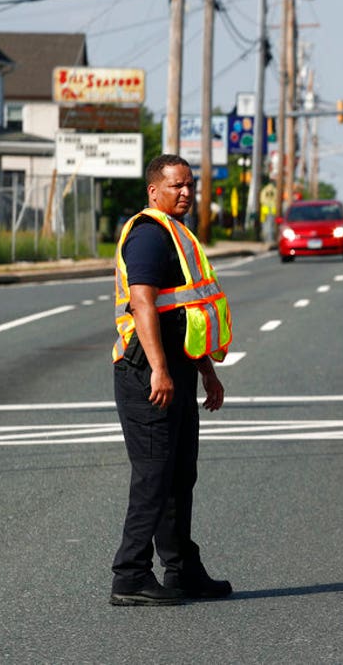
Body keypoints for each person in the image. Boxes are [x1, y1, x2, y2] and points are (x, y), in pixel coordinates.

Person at [109, 154, 234, 606]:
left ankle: (182, 571)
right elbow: (143, 305)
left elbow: (185, 312)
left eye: (189, 185)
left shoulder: (179, 234)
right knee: (154, 476)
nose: (185, 192)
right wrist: (160, 370)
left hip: (176, 368)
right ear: (154, 190)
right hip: (146, 370)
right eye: (176, 185)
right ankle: (130, 576)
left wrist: (207, 372)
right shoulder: (148, 236)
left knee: (180, 475)